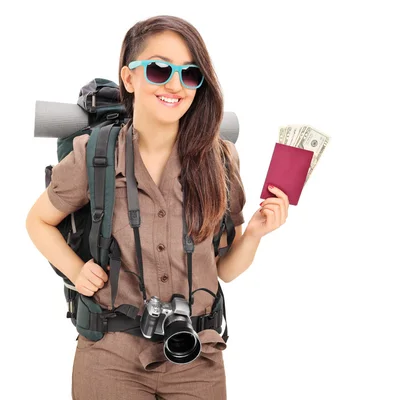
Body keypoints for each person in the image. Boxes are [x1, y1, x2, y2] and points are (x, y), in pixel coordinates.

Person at [25, 14, 289, 400]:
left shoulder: (221, 159)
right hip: (110, 353)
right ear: (129, 78)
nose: (174, 84)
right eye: (158, 69)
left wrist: (256, 234)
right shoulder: (95, 154)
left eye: (190, 74)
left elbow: (225, 270)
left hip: (197, 355)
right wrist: (76, 270)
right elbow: (38, 221)